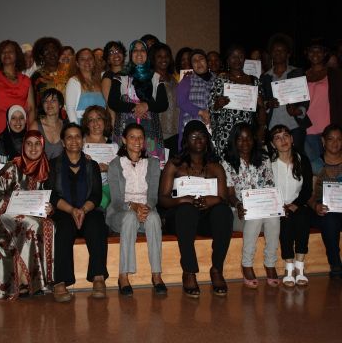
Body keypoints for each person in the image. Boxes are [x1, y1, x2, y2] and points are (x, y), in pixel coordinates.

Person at [159, 120, 233, 297]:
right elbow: (162, 199)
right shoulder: (175, 164)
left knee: (223, 212)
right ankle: (189, 272)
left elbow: (223, 198)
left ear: (207, 140)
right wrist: (181, 200)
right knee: (187, 211)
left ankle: (216, 269)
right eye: (194, 136)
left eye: (202, 136)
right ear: (186, 140)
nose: (198, 140)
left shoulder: (216, 167)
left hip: (206, 218)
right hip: (179, 217)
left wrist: (212, 200)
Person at [0, 130, 54, 299]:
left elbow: (55, 196)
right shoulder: (12, 166)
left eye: (37, 144)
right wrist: (10, 200)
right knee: (30, 224)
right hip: (6, 216)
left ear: (42, 147)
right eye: (29, 143)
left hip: (35, 216)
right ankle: (25, 281)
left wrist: (51, 208)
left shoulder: (47, 169)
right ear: (23, 146)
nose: (33, 148)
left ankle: (41, 280)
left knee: (46, 224)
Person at [47, 123, 108, 302]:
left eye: (77, 137)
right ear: (63, 142)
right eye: (69, 137)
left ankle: (98, 278)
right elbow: (51, 195)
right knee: (63, 229)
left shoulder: (92, 165)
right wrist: (72, 210)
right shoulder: (54, 165)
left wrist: (82, 210)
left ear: (83, 141)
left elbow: (96, 195)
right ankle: (60, 282)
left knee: (97, 225)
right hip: (64, 210)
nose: (74, 140)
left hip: (87, 209)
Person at [107, 123, 166, 295]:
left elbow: (153, 196)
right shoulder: (115, 165)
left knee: (154, 218)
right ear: (124, 140)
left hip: (146, 210)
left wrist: (146, 208)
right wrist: (133, 207)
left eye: (140, 137)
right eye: (132, 137)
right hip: (121, 212)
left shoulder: (153, 164)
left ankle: (156, 274)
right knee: (130, 218)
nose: (137, 141)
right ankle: (123, 276)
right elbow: (117, 200)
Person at [222, 123, 279, 288]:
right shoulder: (227, 162)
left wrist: (272, 205)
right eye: (240, 139)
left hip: (264, 209)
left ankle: (270, 263)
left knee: (274, 217)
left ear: (254, 140)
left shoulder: (264, 158)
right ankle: (246, 264)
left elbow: (270, 185)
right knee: (254, 218)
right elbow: (230, 194)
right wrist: (238, 204)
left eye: (248, 138)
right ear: (234, 141)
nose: (244, 143)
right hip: (239, 212)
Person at [108, 40, 168, 166]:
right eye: (135, 50)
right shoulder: (121, 76)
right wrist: (135, 108)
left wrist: (147, 106)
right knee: (124, 168)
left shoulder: (156, 77)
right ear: (130, 54)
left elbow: (163, 104)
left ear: (147, 54)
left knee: (149, 170)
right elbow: (113, 102)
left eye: (142, 50)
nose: (139, 53)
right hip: (124, 128)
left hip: (150, 131)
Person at [270, 124, 313, 287]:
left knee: (303, 217)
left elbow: (307, 189)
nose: (283, 140)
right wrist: (280, 206)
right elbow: (267, 188)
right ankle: (288, 267)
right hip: (277, 207)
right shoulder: (269, 163)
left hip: (298, 204)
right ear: (273, 144)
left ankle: (300, 266)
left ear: (292, 139)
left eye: (286, 135)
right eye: (277, 137)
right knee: (285, 221)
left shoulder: (303, 160)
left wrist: (295, 204)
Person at [210, 44, 266, 157]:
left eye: (240, 56)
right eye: (233, 56)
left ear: (244, 59)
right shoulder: (221, 80)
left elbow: (262, 114)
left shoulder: (254, 81)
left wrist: (261, 105)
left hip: (247, 135)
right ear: (228, 60)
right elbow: (212, 109)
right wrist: (217, 104)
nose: (237, 60)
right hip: (226, 132)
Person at [260, 34, 309, 154]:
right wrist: (268, 104)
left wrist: (298, 111)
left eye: (282, 50)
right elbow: (262, 102)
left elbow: (305, 100)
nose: (278, 53)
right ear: (271, 53)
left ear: (288, 54)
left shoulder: (297, 73)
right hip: (273, 126)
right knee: (276, 159)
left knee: (297, 159)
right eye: (275, 50)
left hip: (294, 126)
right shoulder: (265, 77)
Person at [0, 40, 35, 143]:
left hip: (20, 132)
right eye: (3, 52)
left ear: (17, 55)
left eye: (10, 51)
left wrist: (31, 132)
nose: (6, 54)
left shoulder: (26, 80)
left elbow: (31, 108)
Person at [309, 124, 342, 278]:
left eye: (339, 139)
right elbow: (308, 194)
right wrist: (315, 206)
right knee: (330, 219)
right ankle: (336, 265)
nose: (335, 143)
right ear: (323, 141)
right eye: (331, 139)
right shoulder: (315, 164)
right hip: (322, 211)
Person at [304, 38, 342, 163]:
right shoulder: (300, 75)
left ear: (325, 53)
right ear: (307, 53)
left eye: (319, 51)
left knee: (331, 167)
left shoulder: (334, 74)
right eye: (312, 51)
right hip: (307, 130)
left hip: (329, 131)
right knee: (315, 169)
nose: (315, 54)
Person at [176, 49, 214, 150]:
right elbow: (181, 101)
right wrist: (201, 112)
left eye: (201, 59)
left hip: (213, 130)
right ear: (192, 65)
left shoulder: (217, 80)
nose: (198, 62)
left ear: (207, 61)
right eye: (194, 61)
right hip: (191, 133)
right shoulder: (187, 80)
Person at [81, 105, 117, 210]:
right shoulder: (79, 144)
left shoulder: (113, 146)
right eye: (91, 120)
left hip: (106, 186)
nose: (95, 123)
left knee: (105, 198)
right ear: (87, 124)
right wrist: (83, 163)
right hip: (85, 186)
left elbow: (123, 171)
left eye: (99, 118)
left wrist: (108, 169)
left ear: (105, 121)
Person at [150, 42, 179, 158]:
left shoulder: (173, 79)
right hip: (156, 133)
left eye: (166, 56)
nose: (164, 59)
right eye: (159, 56)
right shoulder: (150, 79)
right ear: (153, 59)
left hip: (175, 132)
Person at [65, 48, 106, 124]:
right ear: (77, 63)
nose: (87, 61)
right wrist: (77, 131)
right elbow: (70, 109)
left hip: (101, 128)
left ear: (94, 61)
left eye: (90, 58)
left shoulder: (101, 81)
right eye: (82, 59)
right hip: (82, 127)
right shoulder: (74, 81)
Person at [31, 37, 69, 106]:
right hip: (45, 116)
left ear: (59, 53)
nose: (51, 54)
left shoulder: (69, 72)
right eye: (47, 51)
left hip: (70, 115)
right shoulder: (36, 77)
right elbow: (33, 104)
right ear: (41, 55)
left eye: (54, 50)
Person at [29, 88, 64, 160]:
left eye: (53, 100)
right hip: (40, 169)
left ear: (60, 105)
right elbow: (28, 152)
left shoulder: (66, 126)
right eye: (46, 101)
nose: (49, 104)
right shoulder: (35, 126)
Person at [101, 41, 126, 126]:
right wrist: (114, 124)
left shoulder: (130, 73)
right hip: (118, 119)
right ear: (108, 59)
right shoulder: (108, 76)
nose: (116, 55)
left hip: (132, 115)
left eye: (118, 51)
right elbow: (109, 104)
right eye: (111, 53)